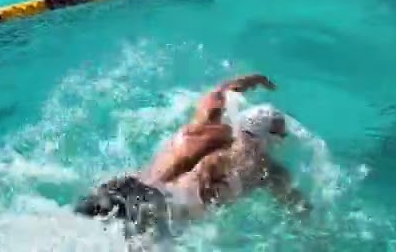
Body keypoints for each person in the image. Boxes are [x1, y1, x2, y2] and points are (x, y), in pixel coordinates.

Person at [73, 74, 307, 238]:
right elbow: (298, 208)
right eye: (279, 137)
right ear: (262, 140)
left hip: (122, 186)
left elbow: (217, 93)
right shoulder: (257, 167)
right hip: (150, 213)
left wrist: (249, 80)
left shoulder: (205, 124)